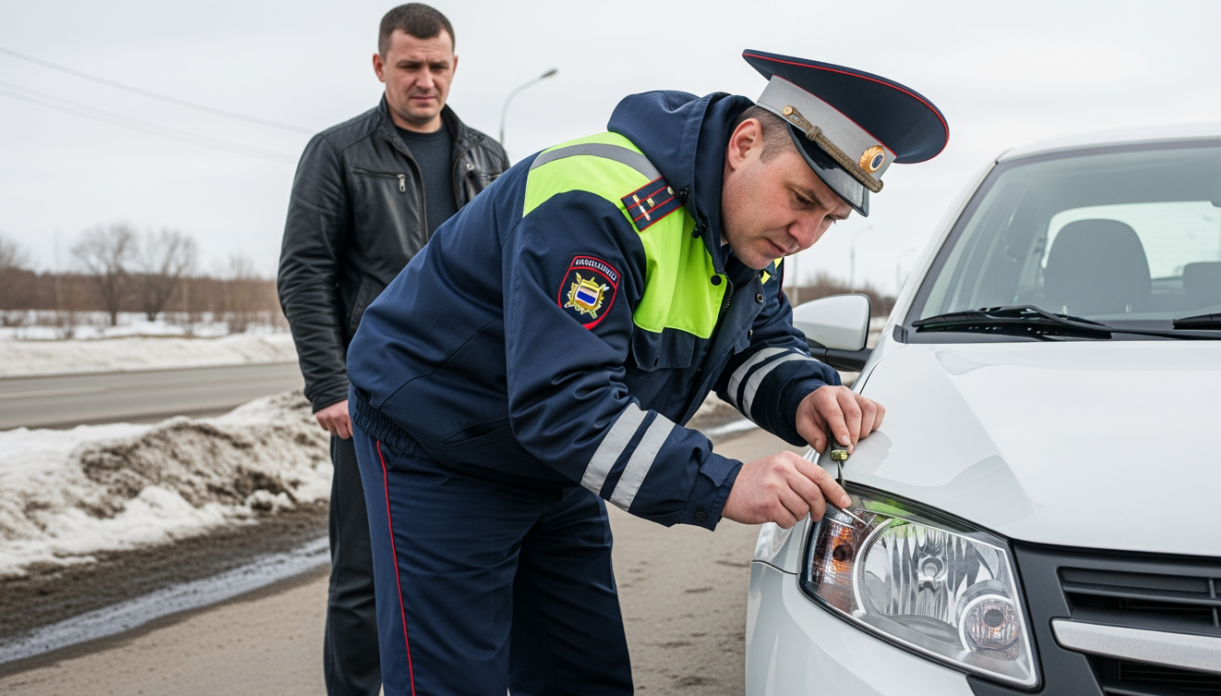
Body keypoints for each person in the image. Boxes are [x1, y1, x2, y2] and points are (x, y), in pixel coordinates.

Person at [345, 50, 948, 695]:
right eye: (802, 200)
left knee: (585, 673)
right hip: (441, 441)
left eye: (829, 219)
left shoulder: (750, 223)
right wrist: (726, 482)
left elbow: (748, 343)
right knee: (456, 681)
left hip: (547, 456)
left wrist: (805, 394)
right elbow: (562, 404)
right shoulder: (596, 200)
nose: (806, 235)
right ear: (745, 143)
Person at [276, 4, 507, 695]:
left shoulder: (488, 158)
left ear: (455, 67)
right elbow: (304, 273)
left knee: (464, 563)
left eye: (438, 66)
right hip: (374, 397)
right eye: (410, 65)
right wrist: (329, 386)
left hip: (469, 400)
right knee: (366, 575)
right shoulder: (338, 152)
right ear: (381, 66)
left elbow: (514, 275)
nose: (425, 80)